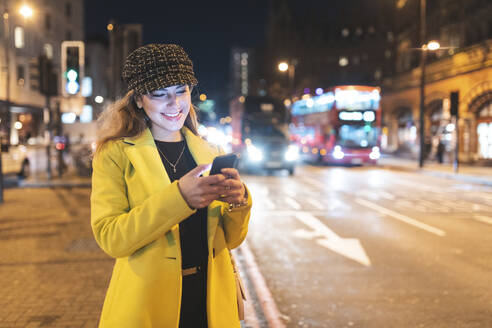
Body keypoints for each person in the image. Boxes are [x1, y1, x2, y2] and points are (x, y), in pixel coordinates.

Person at [90, 43, 252, 328]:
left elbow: (230, 240)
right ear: (139, 100)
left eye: (181, 91)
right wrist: (180, 198)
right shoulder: (115, 154)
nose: (174, 104)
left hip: (210, 300)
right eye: (160, 95)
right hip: (148, 304)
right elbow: (111, 238)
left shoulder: (210, 151)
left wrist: (239, 202)